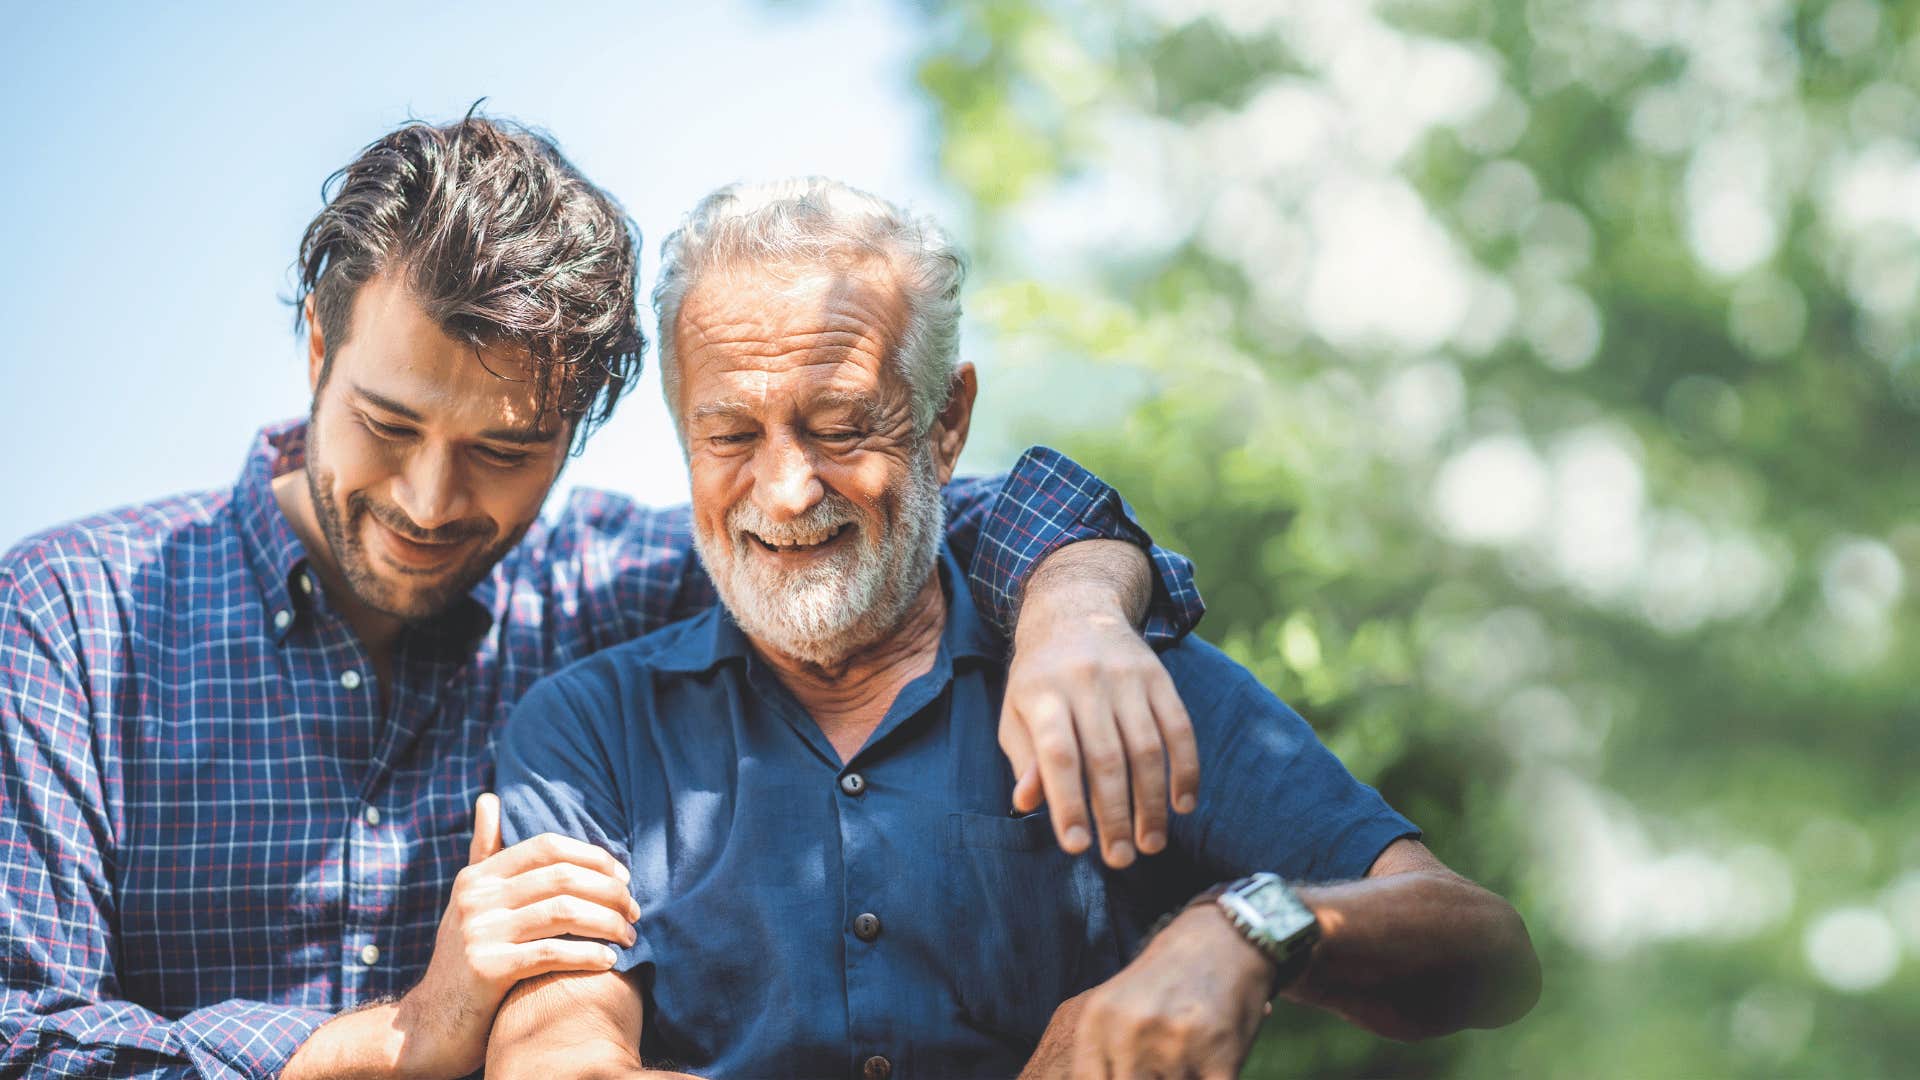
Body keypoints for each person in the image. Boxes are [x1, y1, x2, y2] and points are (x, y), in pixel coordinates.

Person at [0, 117, 1210, 1080]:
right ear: (318, 353)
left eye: (504, 450)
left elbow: (915, 509)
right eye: (388, 424)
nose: (429, 499)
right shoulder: (69, 620)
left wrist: (1074, 610)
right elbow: (21, 1035)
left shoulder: (614, 587)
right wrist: (401, 1038)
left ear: (576, 435)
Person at [486, 178, 1542, 1078]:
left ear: (946, 423)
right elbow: (554, 1055)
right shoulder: (589, 728)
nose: (787, 490)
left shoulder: (1110, 677)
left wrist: (1248, 927)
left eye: (842, 425)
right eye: (728, 433)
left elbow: (1486, 951)